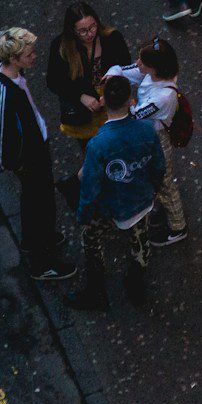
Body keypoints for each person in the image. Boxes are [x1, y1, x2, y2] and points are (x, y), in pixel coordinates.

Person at [64, 74, 166, 311]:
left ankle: (95, 291)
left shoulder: (98, 145)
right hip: (141, 200)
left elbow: (90, 187)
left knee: (91, 240)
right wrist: (152, 190)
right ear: (131, 101)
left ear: (103, 101)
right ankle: (136, 286)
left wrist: (84, 214)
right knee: (140, 240)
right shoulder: (147, 130)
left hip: (111, 206)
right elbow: (159, 167)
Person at [0, 28, 75, 280]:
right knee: (41, 205)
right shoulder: (3, 94)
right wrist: (16, 165)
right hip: (28, 160)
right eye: (29, 53)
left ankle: (34, 240)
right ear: (13, 59)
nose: (34, 56)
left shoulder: (13, 74)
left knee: (36, 202)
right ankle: (43, 263)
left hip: (33, 151)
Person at [107, 38, 188, 246]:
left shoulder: (164, 96)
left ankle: (178, 227)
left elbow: (137, 115)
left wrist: (130, 104)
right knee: (155, 175)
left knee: (166, 181)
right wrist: (113, 74)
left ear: (155, 67)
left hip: (157, 139)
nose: (138, 64)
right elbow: (124, 70)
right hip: (148, 134)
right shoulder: (154, 75)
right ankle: (159, 206)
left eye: (143, 62)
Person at [46, 2, 132, 141]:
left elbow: (125, 65)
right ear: (72, 30)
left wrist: (114, 84)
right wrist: (80, 96)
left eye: (93, 27)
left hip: (112, 102)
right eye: (83, 31)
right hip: (84, 113)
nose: (90, 33)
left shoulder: (112, 38)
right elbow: (54, 81)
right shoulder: (61, 48)